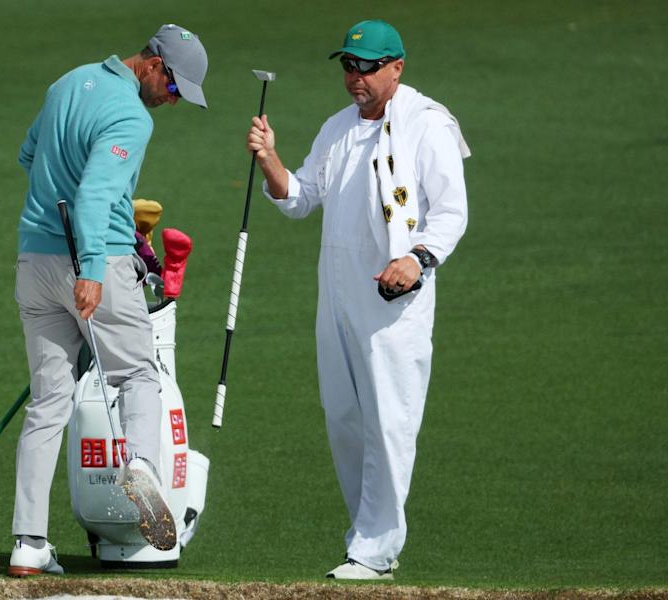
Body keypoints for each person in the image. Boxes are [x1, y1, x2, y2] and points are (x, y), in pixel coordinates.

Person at [246, 19, 469, 580]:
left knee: (388, 422)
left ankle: (376, 548)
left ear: (397, 67)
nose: (355, 77)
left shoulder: (427, 124)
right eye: (349, 65)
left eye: (367, 67)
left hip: (394, 304)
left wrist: (417, 259)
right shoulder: (338, 127)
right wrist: (270, 159)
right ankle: (365, 540)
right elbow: (300, 198)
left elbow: (451, 212)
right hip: (337, 298)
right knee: (343, 419)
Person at [10, 24, 208, 576]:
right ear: (153, 65)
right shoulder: (131, 116)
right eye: (174, 88)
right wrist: (93, 270)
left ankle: (28, 543)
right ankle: (142, 467)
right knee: (137, 374)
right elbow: (96, 193)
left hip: (34, 262)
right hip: (95, 264)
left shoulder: (66, 83)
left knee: (48, 403)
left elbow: (29, 156)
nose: (171, 101)